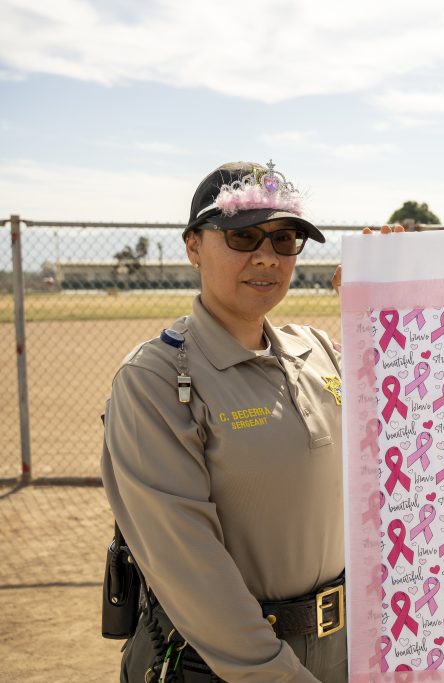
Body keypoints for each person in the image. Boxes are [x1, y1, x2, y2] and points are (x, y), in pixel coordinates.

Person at [101, 160, 347, 682]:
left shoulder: (319, 350)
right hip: (226, 666)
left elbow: (417, 424)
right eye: (242, 237)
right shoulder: (156, 379)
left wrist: (388, 294)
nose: (266, 257)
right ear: (193, 246)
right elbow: (191, 569)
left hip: (346, 653)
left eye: (284, 240)